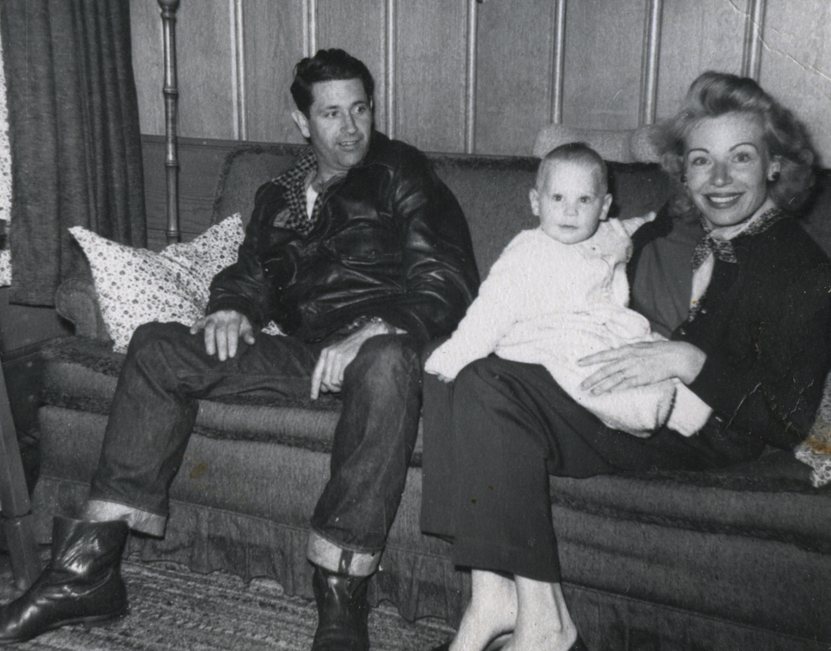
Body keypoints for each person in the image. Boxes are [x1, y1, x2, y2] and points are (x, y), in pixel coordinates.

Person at [0, 49, 479, 650]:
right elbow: (250, 273)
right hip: (307, 359)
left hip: (387, 353)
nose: (352, 127)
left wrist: (377, 327)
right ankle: (86, 574)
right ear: (301, 121)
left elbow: (449, 281)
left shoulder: (403, 173)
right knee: (157, 346)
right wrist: (230, 307)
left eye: (361, 108)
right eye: (332, 113)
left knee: (385, 360)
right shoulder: (276, 194)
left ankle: (340, 600)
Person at [420, 71, 831, 651]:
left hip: (704, 427)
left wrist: (686, 360)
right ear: (683, 172)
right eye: (699, 161)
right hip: (630, 385)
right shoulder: (690, 219)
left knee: (489, 384)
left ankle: (544, 625)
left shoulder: (800, 267)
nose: (718, 179)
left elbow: (786, 419)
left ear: (775, 165)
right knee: (450, 371)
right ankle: (498, 600)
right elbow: (607, 194)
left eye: (740, 159)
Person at [425, 142, 711, 437]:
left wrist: (655, 220)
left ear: (603, 207)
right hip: (549, 335)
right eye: (558, 197)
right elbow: (490, 310)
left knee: (649, 348)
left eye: (584, 200)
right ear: (536, 202)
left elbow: (636, 228)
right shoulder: (526, 253)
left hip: (606, 327)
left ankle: (690, 410)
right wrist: (453, 359)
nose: (570, 211)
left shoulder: (609, 233)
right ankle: (639, 410)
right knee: (589, 370)